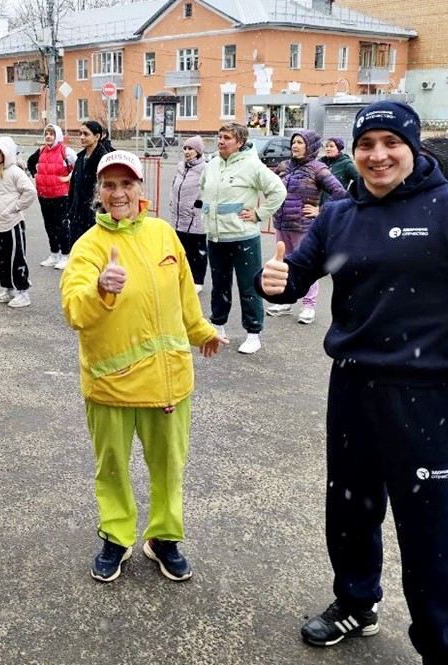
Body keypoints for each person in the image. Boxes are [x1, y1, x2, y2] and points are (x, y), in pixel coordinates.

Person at [256, 101, 448, 665]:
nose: (377, 155)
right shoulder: (340, 215)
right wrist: (272, 281)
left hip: (424, 394)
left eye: (390, 142)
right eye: (365, 144)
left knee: (426, 527)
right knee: (349, 507)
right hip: (352, 386)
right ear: (351, 152)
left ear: (413, 148)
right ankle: (356, 603)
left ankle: (442, 657)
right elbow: (296, 279)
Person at [60, 150, 228, 584]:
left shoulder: (163, 235)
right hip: (110, 385)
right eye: (110, 185)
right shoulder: (88, 247)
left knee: (170, 467)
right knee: (112, 468)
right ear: (98, 192)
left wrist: (202, 331)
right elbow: (75, 311)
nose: (119, 193)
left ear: (141, 189)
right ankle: (116, 537)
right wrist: (100, 288)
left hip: (169, 381)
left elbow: (184, 298)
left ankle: (163, 539)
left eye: (127, 184)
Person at [198, 122, 286, 354]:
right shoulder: (212, 164)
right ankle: (218, 325)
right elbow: (203, 187)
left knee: (249, 287)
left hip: (243, 237)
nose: (221, 141)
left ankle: (253, 333)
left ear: (240, 142)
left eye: (227, 138)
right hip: (216, 236)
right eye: (219, 137)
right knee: (219, 285)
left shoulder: (252, 166)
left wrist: (259, 213)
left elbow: (278, 190)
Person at [265, 129, 347, 324]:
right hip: (281, 224)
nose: (295, 145)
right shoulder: (284, 165)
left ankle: (309, 305)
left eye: (300, 142)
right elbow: (269, 185)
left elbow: (339, 192)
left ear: (310, 146)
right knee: (283, 265)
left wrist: (320, 210)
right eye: (294, 142)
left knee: (306, 266)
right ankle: (284, 301)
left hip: (304, 227)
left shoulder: (318, 168)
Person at [0, 136, 37, 308]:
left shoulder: (15, 171)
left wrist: (15, 208)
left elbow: (30, 191)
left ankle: (23, 291)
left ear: (5, 153)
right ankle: (8, 289)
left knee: (16, 257)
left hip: (12, 222)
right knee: (1, 257)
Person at [66, 121, 112, 270]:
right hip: (77, 215)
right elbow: (73, 187)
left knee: (94, 256)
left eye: (86, 134)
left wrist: (101, 213)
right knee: (78, 252)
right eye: (80, 133)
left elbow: (106, 190)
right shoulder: (80, 158)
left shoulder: (103, 159)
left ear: (97, 136)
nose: (81, 137)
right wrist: (70, 210)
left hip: (94, 216)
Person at [31, 124, 76, 269]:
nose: (48, 137)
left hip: (60, 195)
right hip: (44, 195)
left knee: (62, 225)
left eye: (51, 134)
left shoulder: (66, 151)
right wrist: (36, 175)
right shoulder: (41, 150)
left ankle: (65, 255)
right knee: (49, 225)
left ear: (57, 136)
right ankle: (54, 253)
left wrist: (69, 177)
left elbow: (79, 166)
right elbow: (30, 163)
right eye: (46, 134)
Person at [169, 135, 207, 293]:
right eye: (185, 148)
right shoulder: (180, 167)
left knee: (196, 251)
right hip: (178, 216)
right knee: (180, 249)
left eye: (190, 148)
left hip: (195, 217)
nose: (187, 151)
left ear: (198, 151)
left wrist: (198, 206)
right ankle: (181, 276)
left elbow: (207, 191)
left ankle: (198, 280)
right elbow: (174, 187)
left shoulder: (205, 168)